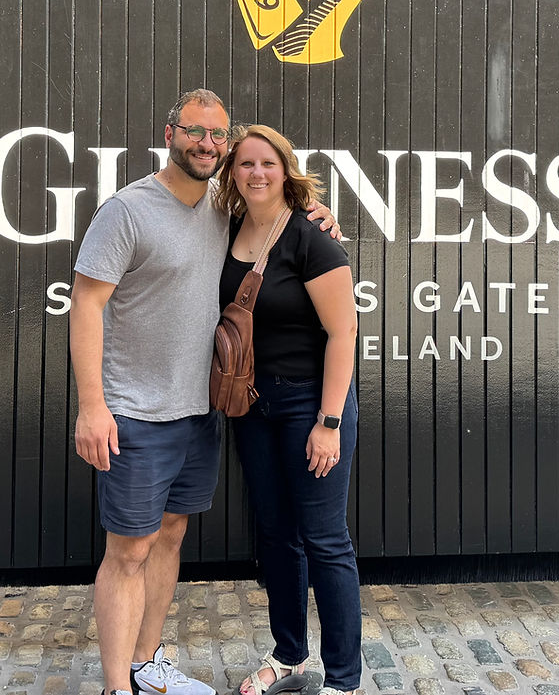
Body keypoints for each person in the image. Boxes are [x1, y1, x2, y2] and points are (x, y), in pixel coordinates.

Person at [69, 91, 338, 695]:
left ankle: (147, 665)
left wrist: (318, 215)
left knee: (169, 537)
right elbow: (86, 305)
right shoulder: (128, 211)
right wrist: (93, 406)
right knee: (128, 550)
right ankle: (117, 687)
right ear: (169, 133)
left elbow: (280, 224)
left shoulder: (224, 213)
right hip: (135, 413)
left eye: (218, 136)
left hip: (199, 414)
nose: (207, 145)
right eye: (195, 132)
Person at [213, 125, 362, 695]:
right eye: (245, 163)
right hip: (253, 403)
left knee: (324, 537)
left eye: (266, 163)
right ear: (232, 173)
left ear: (286, 169)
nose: (255, 173)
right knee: (275, 534)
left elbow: (344, 331)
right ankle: (291, 654)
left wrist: (329, 423)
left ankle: (344, 679)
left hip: (310, 403)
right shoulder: (226, 229)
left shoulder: (311, 238)